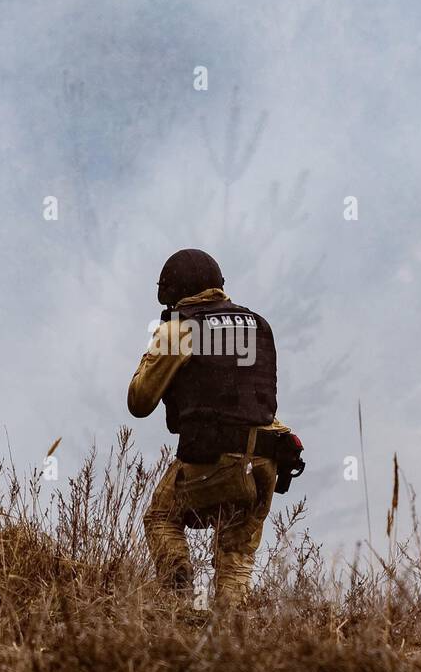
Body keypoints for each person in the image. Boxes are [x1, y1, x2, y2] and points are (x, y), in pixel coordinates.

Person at [127, 249, 299, 607]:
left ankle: (179, 601)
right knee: (235, 557)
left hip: (214, 457)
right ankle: (232, 635)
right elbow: (255, 400)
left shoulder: (178, 330)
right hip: (268, 458)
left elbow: (139, 401)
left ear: (172, 293)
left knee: (161, 515)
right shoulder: (259, 324)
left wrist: (157, 345)